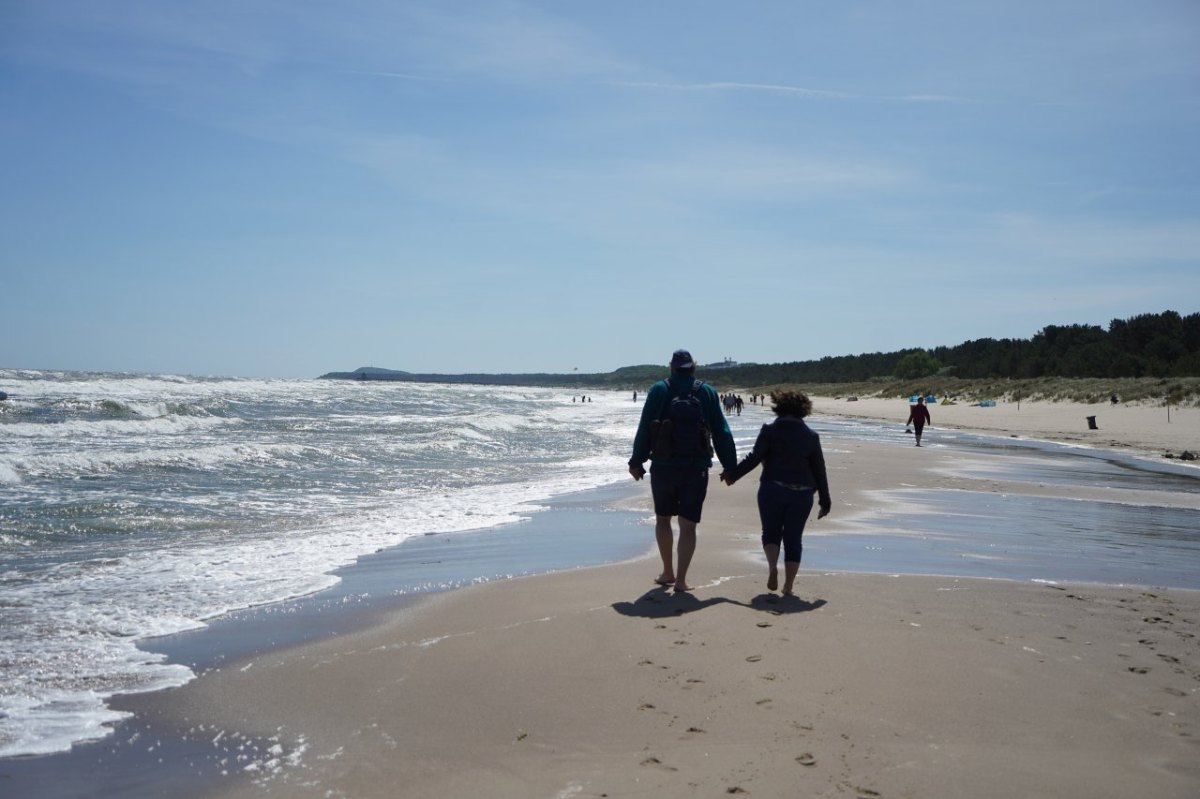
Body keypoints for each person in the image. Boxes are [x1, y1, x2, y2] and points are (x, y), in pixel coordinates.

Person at [629, 349, 738, 592]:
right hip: (695, 467)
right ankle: (681, 580)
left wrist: (636, 461)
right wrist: (730, 467)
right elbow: (722, 431)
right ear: (694, 367)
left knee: (663, 520)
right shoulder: (707, 392)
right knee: (688, 526)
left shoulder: (659, 389)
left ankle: (667, 571)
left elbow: (645, 427)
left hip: (664, 467)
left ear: (672, 367)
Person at [721, 391, 831, 596]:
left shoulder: (770, 431)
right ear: (803, 410)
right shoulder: (811, 436)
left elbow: (754, 458)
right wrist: (825, 499)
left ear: (778, 408)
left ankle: (772, 568)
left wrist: (733, 475)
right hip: (802, 493)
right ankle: (788, 586)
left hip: (772, 488)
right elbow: (819, 469)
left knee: (770, 533)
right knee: (794, 538)